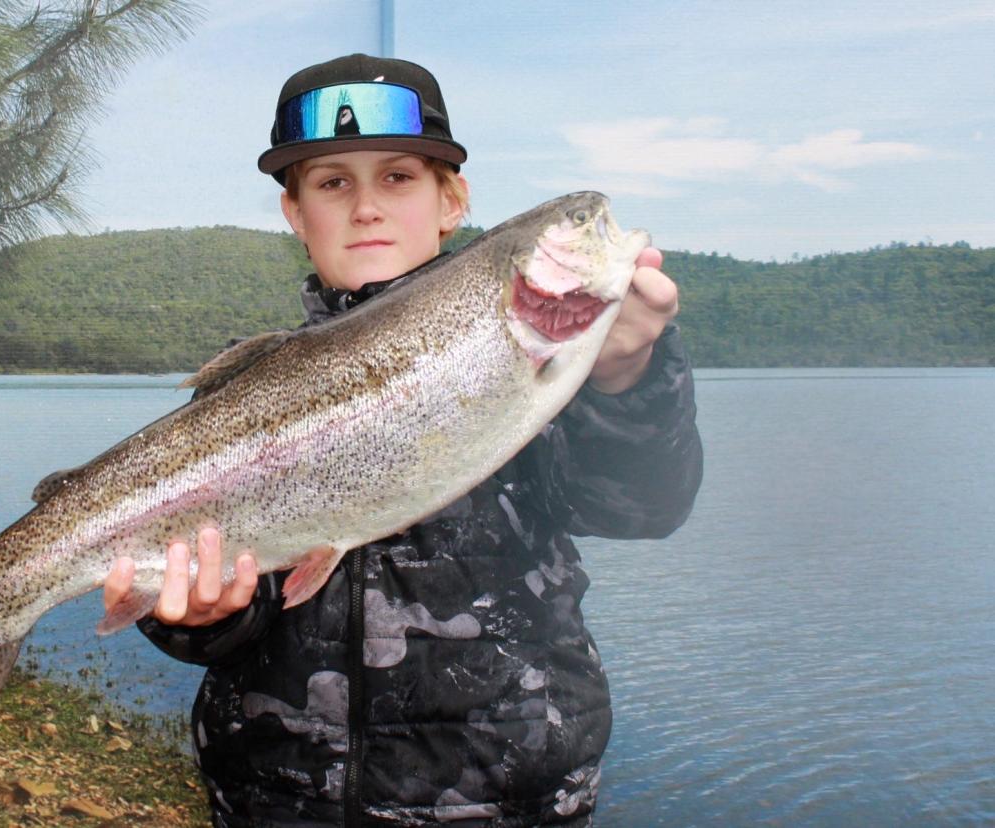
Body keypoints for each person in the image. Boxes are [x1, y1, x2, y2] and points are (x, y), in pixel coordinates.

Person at [104, 53, 703, 826]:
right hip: (278, 802)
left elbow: (641, 509)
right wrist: (197, 617)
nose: (366, 209)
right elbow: (231, 616)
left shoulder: (543, 358)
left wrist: (628, 379)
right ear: (294, 213)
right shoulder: (246, 395)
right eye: (331, 183)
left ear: (452, 201)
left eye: (398, 177)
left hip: (508, 800)